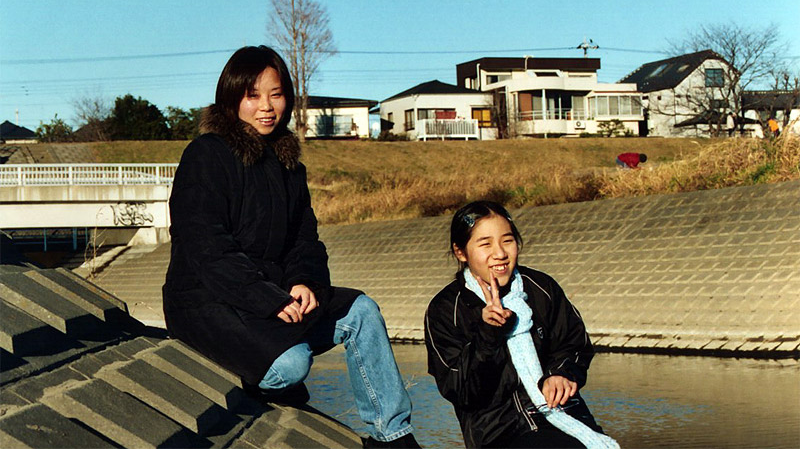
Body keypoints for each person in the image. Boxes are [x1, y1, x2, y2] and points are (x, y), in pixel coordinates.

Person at [163, 45, 420, 448]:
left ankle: (393, 436)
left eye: (276, 94)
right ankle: (263, 373)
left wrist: (305, 282)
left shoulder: (288, 164)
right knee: (292, 364)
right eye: (253, 96)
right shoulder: (206, 155)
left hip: (274, 295)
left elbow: (305, 239)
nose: (266, 107)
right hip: (205, 302)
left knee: (362, 313)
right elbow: (207, 249)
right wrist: (267, 299)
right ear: (231, 99)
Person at [424, 201, 618, 448]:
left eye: (507, 240)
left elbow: (574, 344)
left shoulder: (541, 287)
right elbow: (461, 390)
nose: (500, 253)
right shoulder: (445, 309)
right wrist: (488, 333)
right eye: (485, 244)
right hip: (499, 434)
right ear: (460, 252)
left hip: (566, 416)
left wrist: (561, 373)